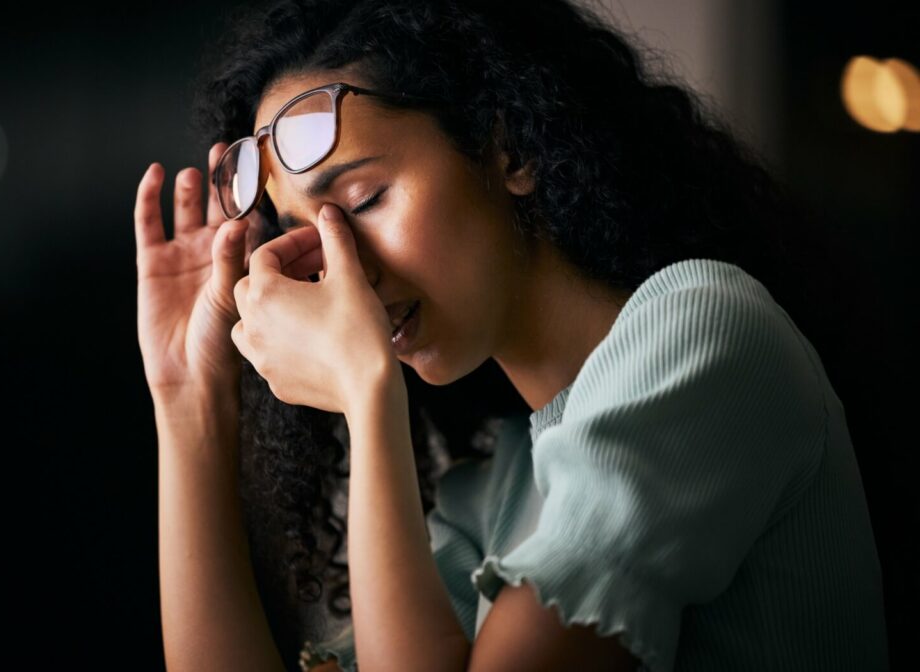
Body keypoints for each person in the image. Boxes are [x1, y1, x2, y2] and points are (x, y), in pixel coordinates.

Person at [134, 0, 889, 669]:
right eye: (304, 235)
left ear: (512, 150)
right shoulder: (501, 490)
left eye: (362, 200)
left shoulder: (706, 335)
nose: (340, 275)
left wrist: (368, 394)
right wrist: (191, 401)